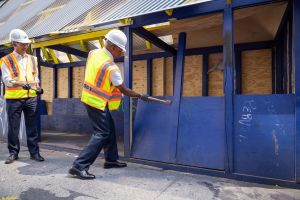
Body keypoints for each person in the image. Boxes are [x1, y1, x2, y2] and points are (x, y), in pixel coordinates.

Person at [69, 29, 148, 180]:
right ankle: (79, 166)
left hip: (90, 97)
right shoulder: (111, 68)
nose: (121, 52)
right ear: (113, 47)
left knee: (109, 129)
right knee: (102, 133)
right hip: (96, 101)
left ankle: (111, 160)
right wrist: (140, 95)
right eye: (120, 49)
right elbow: (123, 89)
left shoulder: (94, 53)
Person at [1, 29, 44, 164]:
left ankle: (34, 153)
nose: (26, 46)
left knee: (32, 127)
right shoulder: (6, 60)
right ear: (14, 43)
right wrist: (21, 84)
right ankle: (13, 153)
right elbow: (7, 80)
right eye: (22, 44)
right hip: (14, 99)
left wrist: (37, 87)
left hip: (31, 97)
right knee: (14, 128)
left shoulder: (33, 59)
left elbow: (35, 76)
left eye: (26, 44)